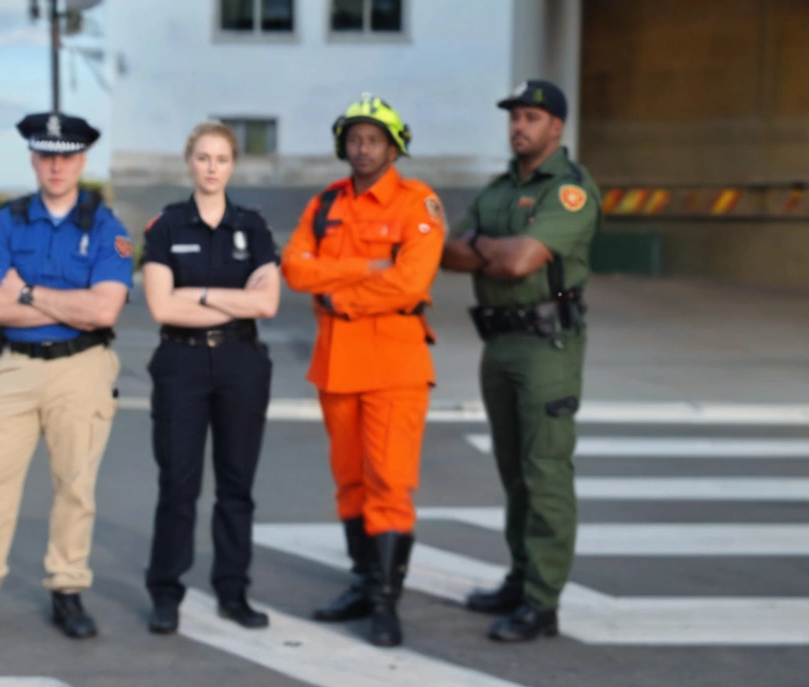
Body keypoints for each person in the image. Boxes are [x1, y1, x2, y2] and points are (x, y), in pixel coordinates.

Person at [0, 111, 134, 640]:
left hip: (81, 369)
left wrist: (27, 291)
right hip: (15, 369)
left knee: (74, 486)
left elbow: (104, 312)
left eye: (66, 156)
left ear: (82, 160)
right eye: (46, 155)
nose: (56, 165)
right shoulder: (5, 223)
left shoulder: (108, 228)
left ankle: (67, 590)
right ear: (34, 159)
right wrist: (68, 304)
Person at [439, 80, 601, 643]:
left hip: (547, 347)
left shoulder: (571, 190)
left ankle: (542, 600)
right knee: (513, 471)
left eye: (531, 117)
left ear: (556, 127)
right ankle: (520, 575)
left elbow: (522, 261)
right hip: (499, 343)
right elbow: (447, 252)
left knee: (545, 471)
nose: (519, 127)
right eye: (514, 118)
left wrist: (487, 249)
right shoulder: (498, 189)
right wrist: (492, 250)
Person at [280, 94, 444, 648]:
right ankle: (362, 583)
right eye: (354, 138)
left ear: (395, 146)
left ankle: (385, 604)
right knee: (350, 484)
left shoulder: (417, 203)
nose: (363, 147)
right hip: (336, 366)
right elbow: (296, 269)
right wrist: (361, 267)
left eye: (374, 138)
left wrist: (341, 298)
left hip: (394, 364)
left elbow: (409, 284)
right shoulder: (326, 202)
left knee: (388, 485)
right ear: (342, 145)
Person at [139, 121, 281, 634]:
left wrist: (196, 294)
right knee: (177, 484)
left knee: (236, 485)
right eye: (203, 157)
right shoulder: (167, 227)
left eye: (221, 158)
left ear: (233, 164)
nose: (212, 167)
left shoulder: (254, 226)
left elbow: (267, 302)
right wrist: (229, 300)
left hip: (241, 363)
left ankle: (232, 591)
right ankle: (165, 592)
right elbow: (160, 305)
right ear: (189, 162)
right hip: (182, 364)